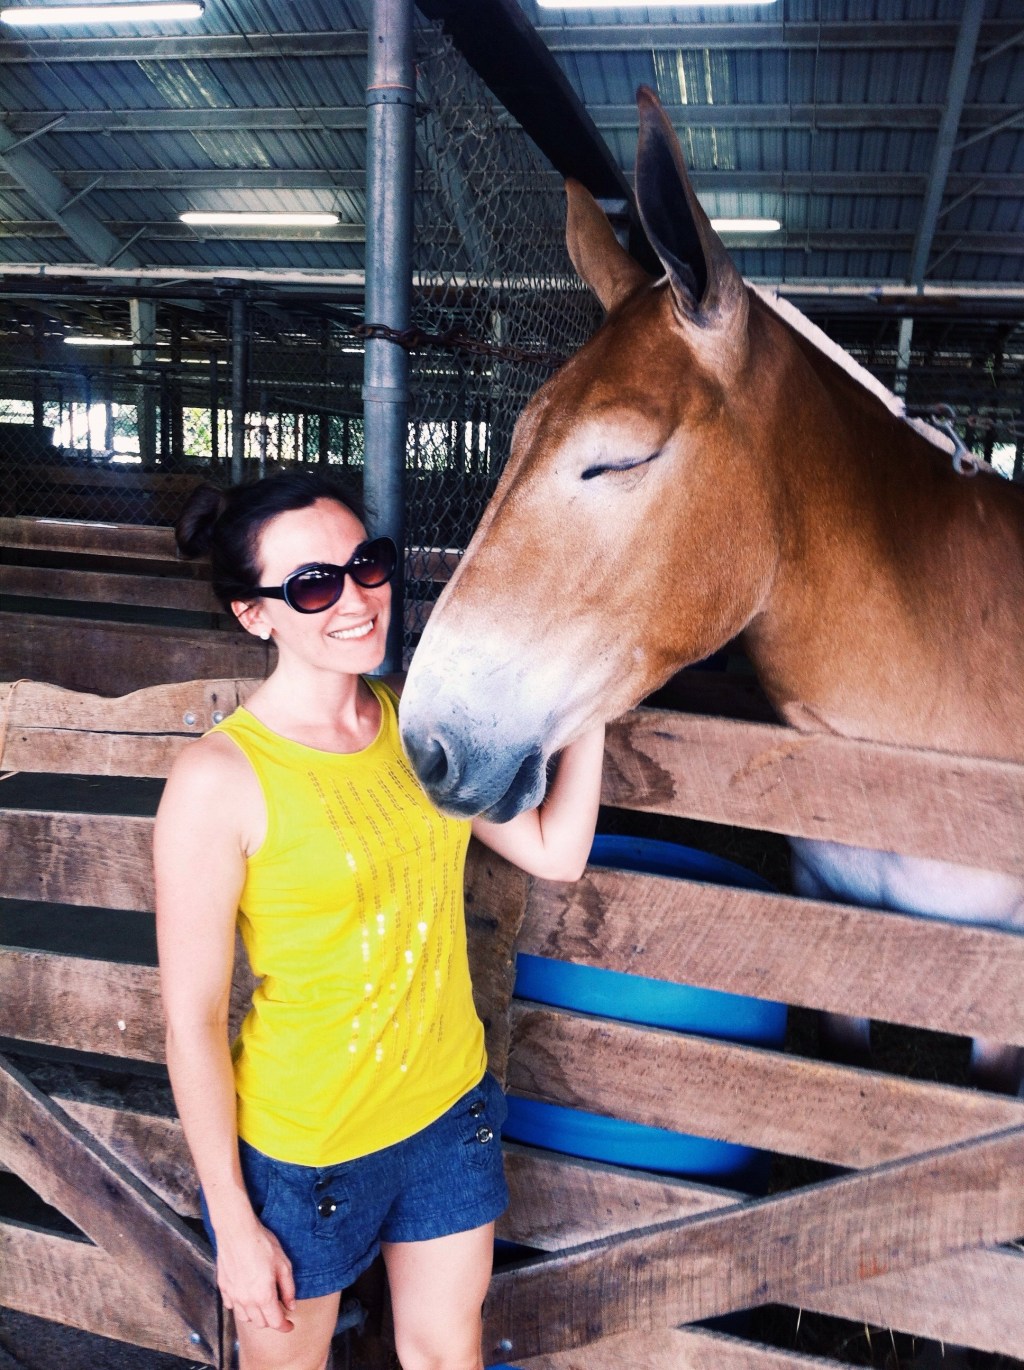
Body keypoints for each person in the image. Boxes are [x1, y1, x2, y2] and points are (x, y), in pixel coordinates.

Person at [154, 471, 605, 1370]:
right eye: (314, 585)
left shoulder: (412, 730)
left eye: (366, 564)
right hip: (306, 1155)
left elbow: (555, 850)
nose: (356, 599)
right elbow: (193, 1022)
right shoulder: (218, 783)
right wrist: (235, 1224)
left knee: (447, 1354)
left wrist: (590, 700)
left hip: (446, 1115)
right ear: (256, 616)